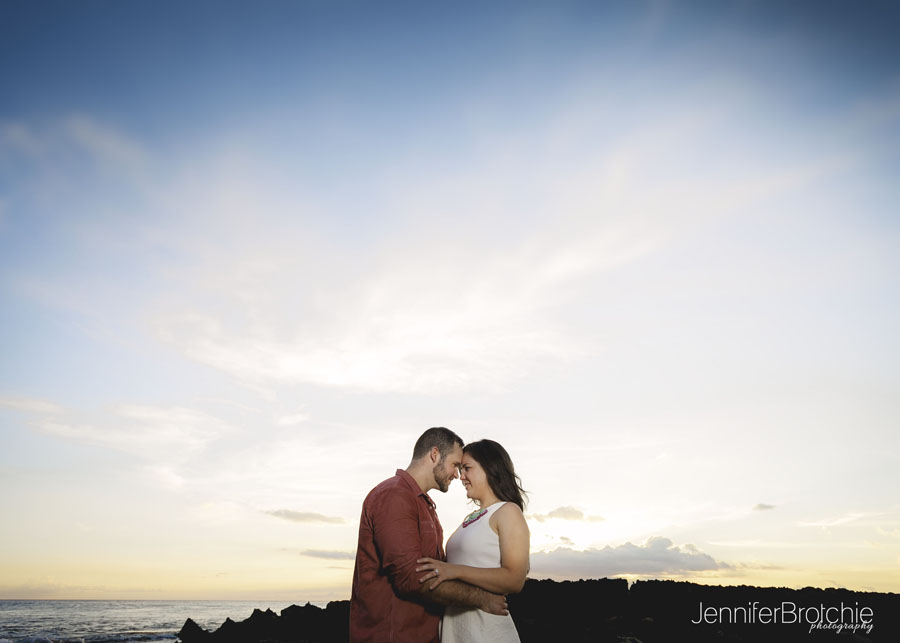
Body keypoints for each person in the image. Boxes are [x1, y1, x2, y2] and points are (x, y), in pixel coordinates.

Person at [350, 428, 509, 643]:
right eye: (455, 465)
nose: (457, 474)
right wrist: (482, 599)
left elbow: (437, 570)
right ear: (434, 455)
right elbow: (411, 577)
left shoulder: (423, 504)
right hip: (393, 636)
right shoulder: (394, 495)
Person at [415, 439, 529, 642]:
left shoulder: (508, 511)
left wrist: (454, 571)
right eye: (459, 468)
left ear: (490, 468)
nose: (461, 477)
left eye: (467, 468)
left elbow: (514, 579)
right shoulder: (471, 518)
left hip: (487, 631)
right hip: (456, 630)